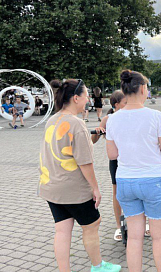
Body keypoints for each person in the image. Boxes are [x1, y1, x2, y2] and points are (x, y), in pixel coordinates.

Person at [38, 79, 121, 272]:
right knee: (92, 224)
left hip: (51, 187)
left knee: (62, 230)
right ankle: (98, 266)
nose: (88, 99)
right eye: (85, 95)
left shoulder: (53, 119)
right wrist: (95, 188)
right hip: (73, 189)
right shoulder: (77, 124)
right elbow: (85, 162)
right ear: (76, 98)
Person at [106, 70, 161, 272]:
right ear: (143, 89)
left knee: (134, 238)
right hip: (153, 180)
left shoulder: (113, 119)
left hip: (126, 182)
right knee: (159, 237)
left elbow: (112, 154)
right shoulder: (155, 116)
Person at [92, 91, 127, 241]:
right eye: (125, 102)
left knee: (137, 191)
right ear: (116, 105)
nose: (128, 105)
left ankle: (143, 223)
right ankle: (119, 226)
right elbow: (93, 140)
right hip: (116, 160)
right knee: (117, 193)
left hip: (133, 159)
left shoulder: (132, 116)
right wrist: (98, 132)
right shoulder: (108, 118)